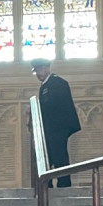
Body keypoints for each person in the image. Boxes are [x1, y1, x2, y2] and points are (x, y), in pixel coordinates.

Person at [31, 58, 81, 187]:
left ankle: (64, 185)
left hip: (58, 128)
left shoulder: (58, 83)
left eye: (40, 69)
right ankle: (47, 185)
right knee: (49, 157)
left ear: (47, 68)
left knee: (60, 158)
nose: (38, 73)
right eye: (36, 71)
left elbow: (60, 107)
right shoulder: (45, 86)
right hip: (49, 129)